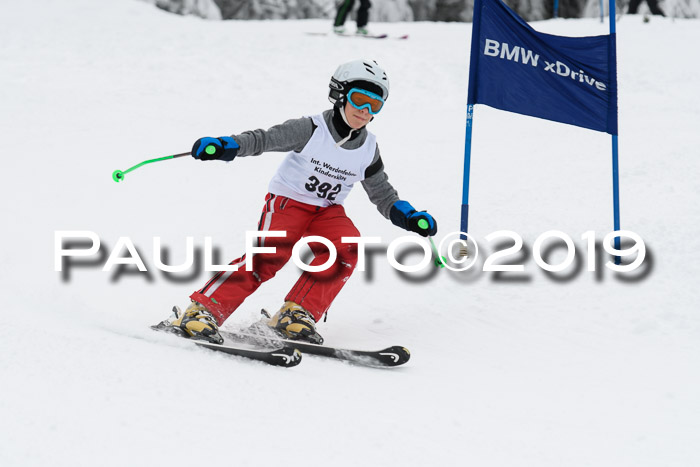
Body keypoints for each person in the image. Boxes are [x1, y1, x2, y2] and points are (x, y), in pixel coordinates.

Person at [160, 59, 438, 346]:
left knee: (347, 247)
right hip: (288, 202)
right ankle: (203, 311)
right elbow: (263, 140)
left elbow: (382, 193)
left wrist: (408, 216)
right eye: (359, 100)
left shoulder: (368, 148)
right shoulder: (310, 129)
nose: (365, 111)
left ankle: (296, 314)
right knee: (269, 256)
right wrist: (226, 145)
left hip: (327, 210)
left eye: (375, 105)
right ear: (340, 95)